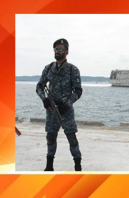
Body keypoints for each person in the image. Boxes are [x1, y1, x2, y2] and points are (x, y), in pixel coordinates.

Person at [36, 38, 83, 171]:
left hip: (66, 111)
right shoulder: (49, 68)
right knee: (50, 137)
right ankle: (49, 166)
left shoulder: (72, 70)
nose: (57, 51)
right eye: (56, 49)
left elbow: (78, 91)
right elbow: (39, 86)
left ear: (66, 52)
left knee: (72, 138)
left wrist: (67, 104)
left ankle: (78, 166)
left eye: (60, 49)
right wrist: (44, 99)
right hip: (51, 110)